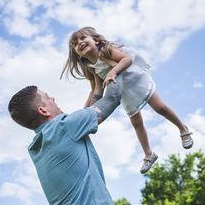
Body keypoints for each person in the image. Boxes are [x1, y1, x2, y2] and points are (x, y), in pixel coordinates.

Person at [8, 77, 133, 205]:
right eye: (48, 98)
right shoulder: (65, 127)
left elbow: (86, 113)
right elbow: (113, 98)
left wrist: (96, 86)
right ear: (43, 110)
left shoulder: (40, 145)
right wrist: (113, 66)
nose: (54, 98)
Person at [61, 26, 194, 174]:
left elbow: (127, 59)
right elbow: (96, 90)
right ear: (77, 53)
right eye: (75, 43)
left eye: (83, 38)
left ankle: (183, 129)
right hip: (123, 91)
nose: (79, 42)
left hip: (134, 80)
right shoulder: (91, 67)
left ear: (96, 41)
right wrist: (85, 111)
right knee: (136, 122)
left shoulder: (106, 50)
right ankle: (149, 154)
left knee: (160, 108)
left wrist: (113, 71)